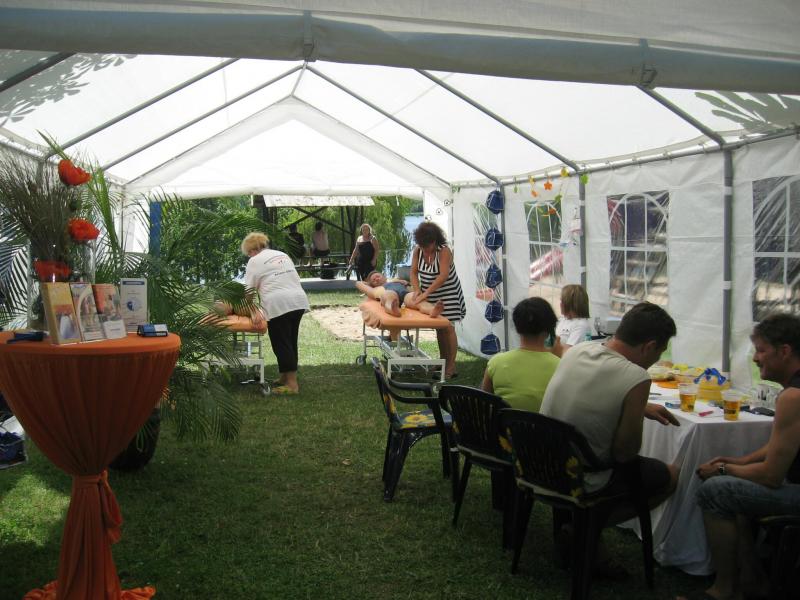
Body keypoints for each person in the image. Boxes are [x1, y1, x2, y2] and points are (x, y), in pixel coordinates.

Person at [540, 302, 680, 571]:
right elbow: (624, 453)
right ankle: (585, 528)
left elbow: (586, 394)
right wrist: (635, 411)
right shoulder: (636, 376)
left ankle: (590, 544)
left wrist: (641, 407)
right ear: (649, 346)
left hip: (539, 463)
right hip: (580, 476)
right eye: (660, 352)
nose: (657, 359)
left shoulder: (577, 350)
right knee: (670, 476)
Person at [684, 313, 800, 600]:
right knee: (736, 487)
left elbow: (771, 476)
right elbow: (783, 444)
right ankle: (752, 579)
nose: (756, 359)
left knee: (716, 491)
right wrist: (740, 462)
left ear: (785, 351)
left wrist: (723, 469)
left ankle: (724, 590)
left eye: (761, 350)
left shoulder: (793, 397)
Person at [241, 232, 310, 395]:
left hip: (278, 303)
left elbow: (248, 293)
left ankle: (292, 385)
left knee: (281, 343)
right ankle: (285, 377)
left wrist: (249, 309)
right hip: (298, 300)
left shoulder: (254, 261)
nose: (249, 256)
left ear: (252, 250)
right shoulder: (282, 254)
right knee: (290, 340)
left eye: (248, 253)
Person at [481, 297, 560, 413]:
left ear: (517, 327)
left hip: (504, 424)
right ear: (550, 327)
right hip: (546, 425)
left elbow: (483, 403)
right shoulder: (561, 367)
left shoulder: (495, 362)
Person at [410, 221, 466, 380]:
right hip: (431, 296)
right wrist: (417, 289)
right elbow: (413, 272)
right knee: (439, 329)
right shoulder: (418, 251)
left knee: (448, 328)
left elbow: (443, 276)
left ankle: (451, 366)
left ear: (434, 241)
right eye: (421, 246)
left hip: (449, 294)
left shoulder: (444, 251)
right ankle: (443, 361)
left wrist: (425, 293)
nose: (424, 249)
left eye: (427, 246)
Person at [356, 270, 444, 317]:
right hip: (388, 292)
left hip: (405, 295)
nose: (376, 279)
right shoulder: (376, 289)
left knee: (416, 300)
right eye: (373, 281)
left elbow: (412, 289)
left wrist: (406, 283)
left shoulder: (396, 280)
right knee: (390, 297)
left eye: (377, 276)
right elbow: (358, 283)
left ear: (384, 276)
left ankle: (432, 310)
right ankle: (392, 309)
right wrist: (368, 284)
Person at [553, 284, 594, 357]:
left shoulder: (581, 325)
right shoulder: (563, 320)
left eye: (562, 301)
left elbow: (568, 353)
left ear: (569, 304)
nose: (560, 304)